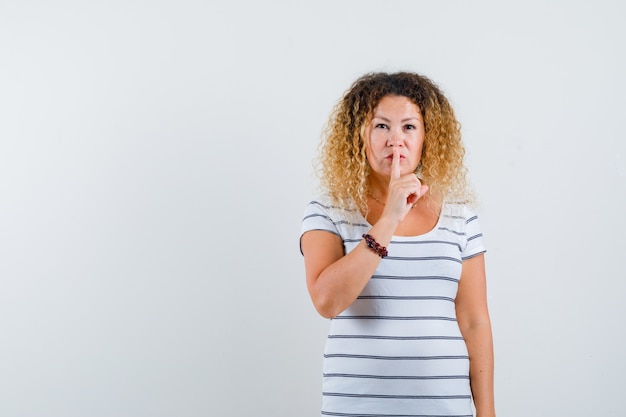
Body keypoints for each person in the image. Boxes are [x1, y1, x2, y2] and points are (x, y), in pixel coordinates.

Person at [300, 72, 495, 417]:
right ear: (358, 135)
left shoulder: (460, 218)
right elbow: (327, 301)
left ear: (426, 137)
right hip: (356, 406)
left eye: (408, 127)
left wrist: (487, 411)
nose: (395, 140)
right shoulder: (328, 211)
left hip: (445, 408)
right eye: (381, 126)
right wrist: (389, 217)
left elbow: (474, 320)